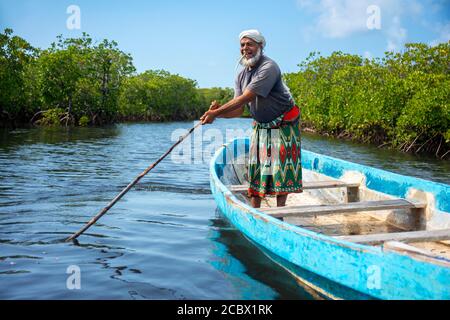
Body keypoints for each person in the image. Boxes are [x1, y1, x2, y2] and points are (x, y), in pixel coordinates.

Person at [201, 29, 302, 208]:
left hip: (283, 124)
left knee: (281, 173)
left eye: (250, 44)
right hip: (260, 126)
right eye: (242, 45)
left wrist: (216, 113)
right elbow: (238, 110)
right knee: (256, 170)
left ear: (260, 46)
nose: (245, 48)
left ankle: (281, 214)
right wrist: (216, 115)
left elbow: (248, 96)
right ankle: (255, 211)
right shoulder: (241, 75)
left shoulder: (268, 67)